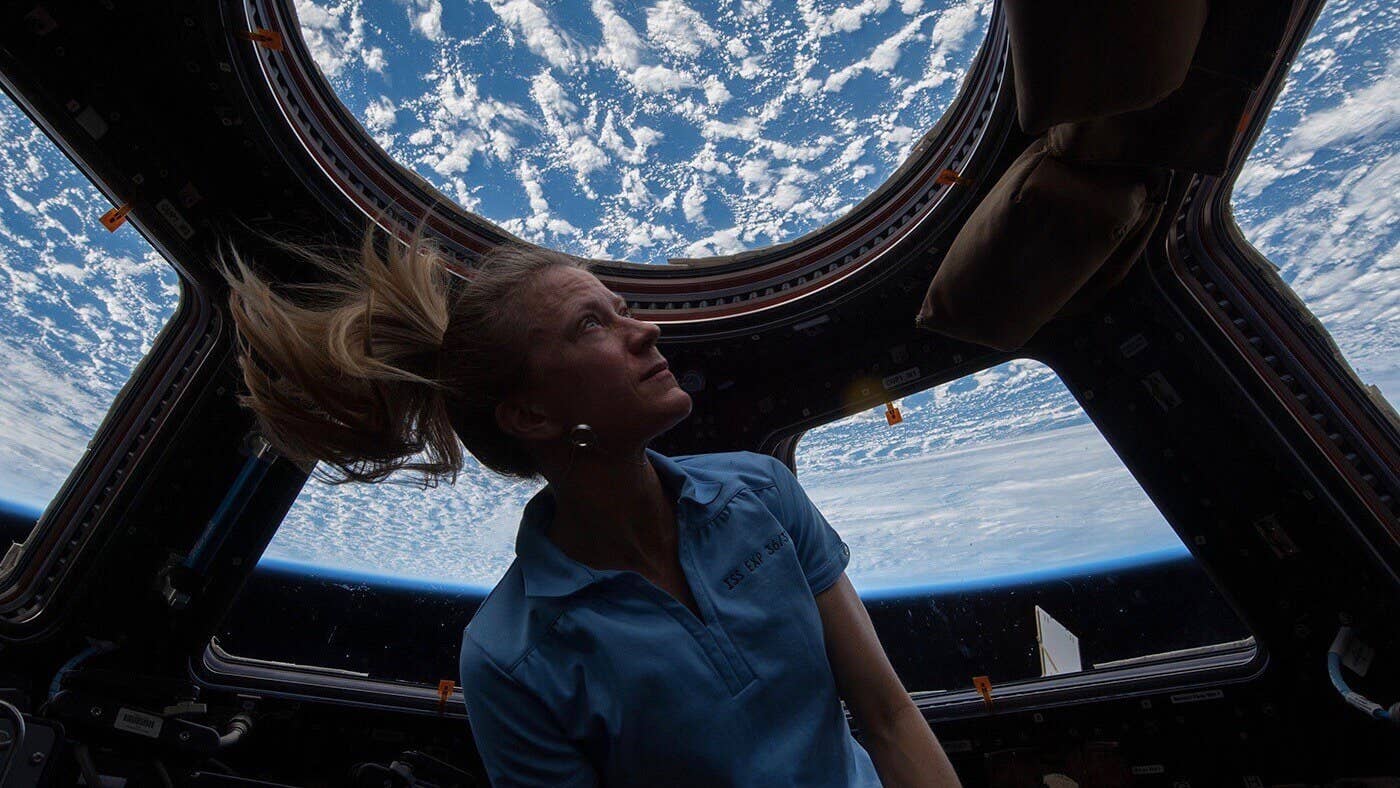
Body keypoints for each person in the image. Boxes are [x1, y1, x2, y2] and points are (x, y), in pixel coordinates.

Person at [218, 226, 961, 787]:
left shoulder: (762, 490)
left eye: (621, 308)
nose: (647, 330)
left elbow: (889, 718)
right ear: (532, 417)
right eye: (592, 325)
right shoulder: (512, 658)